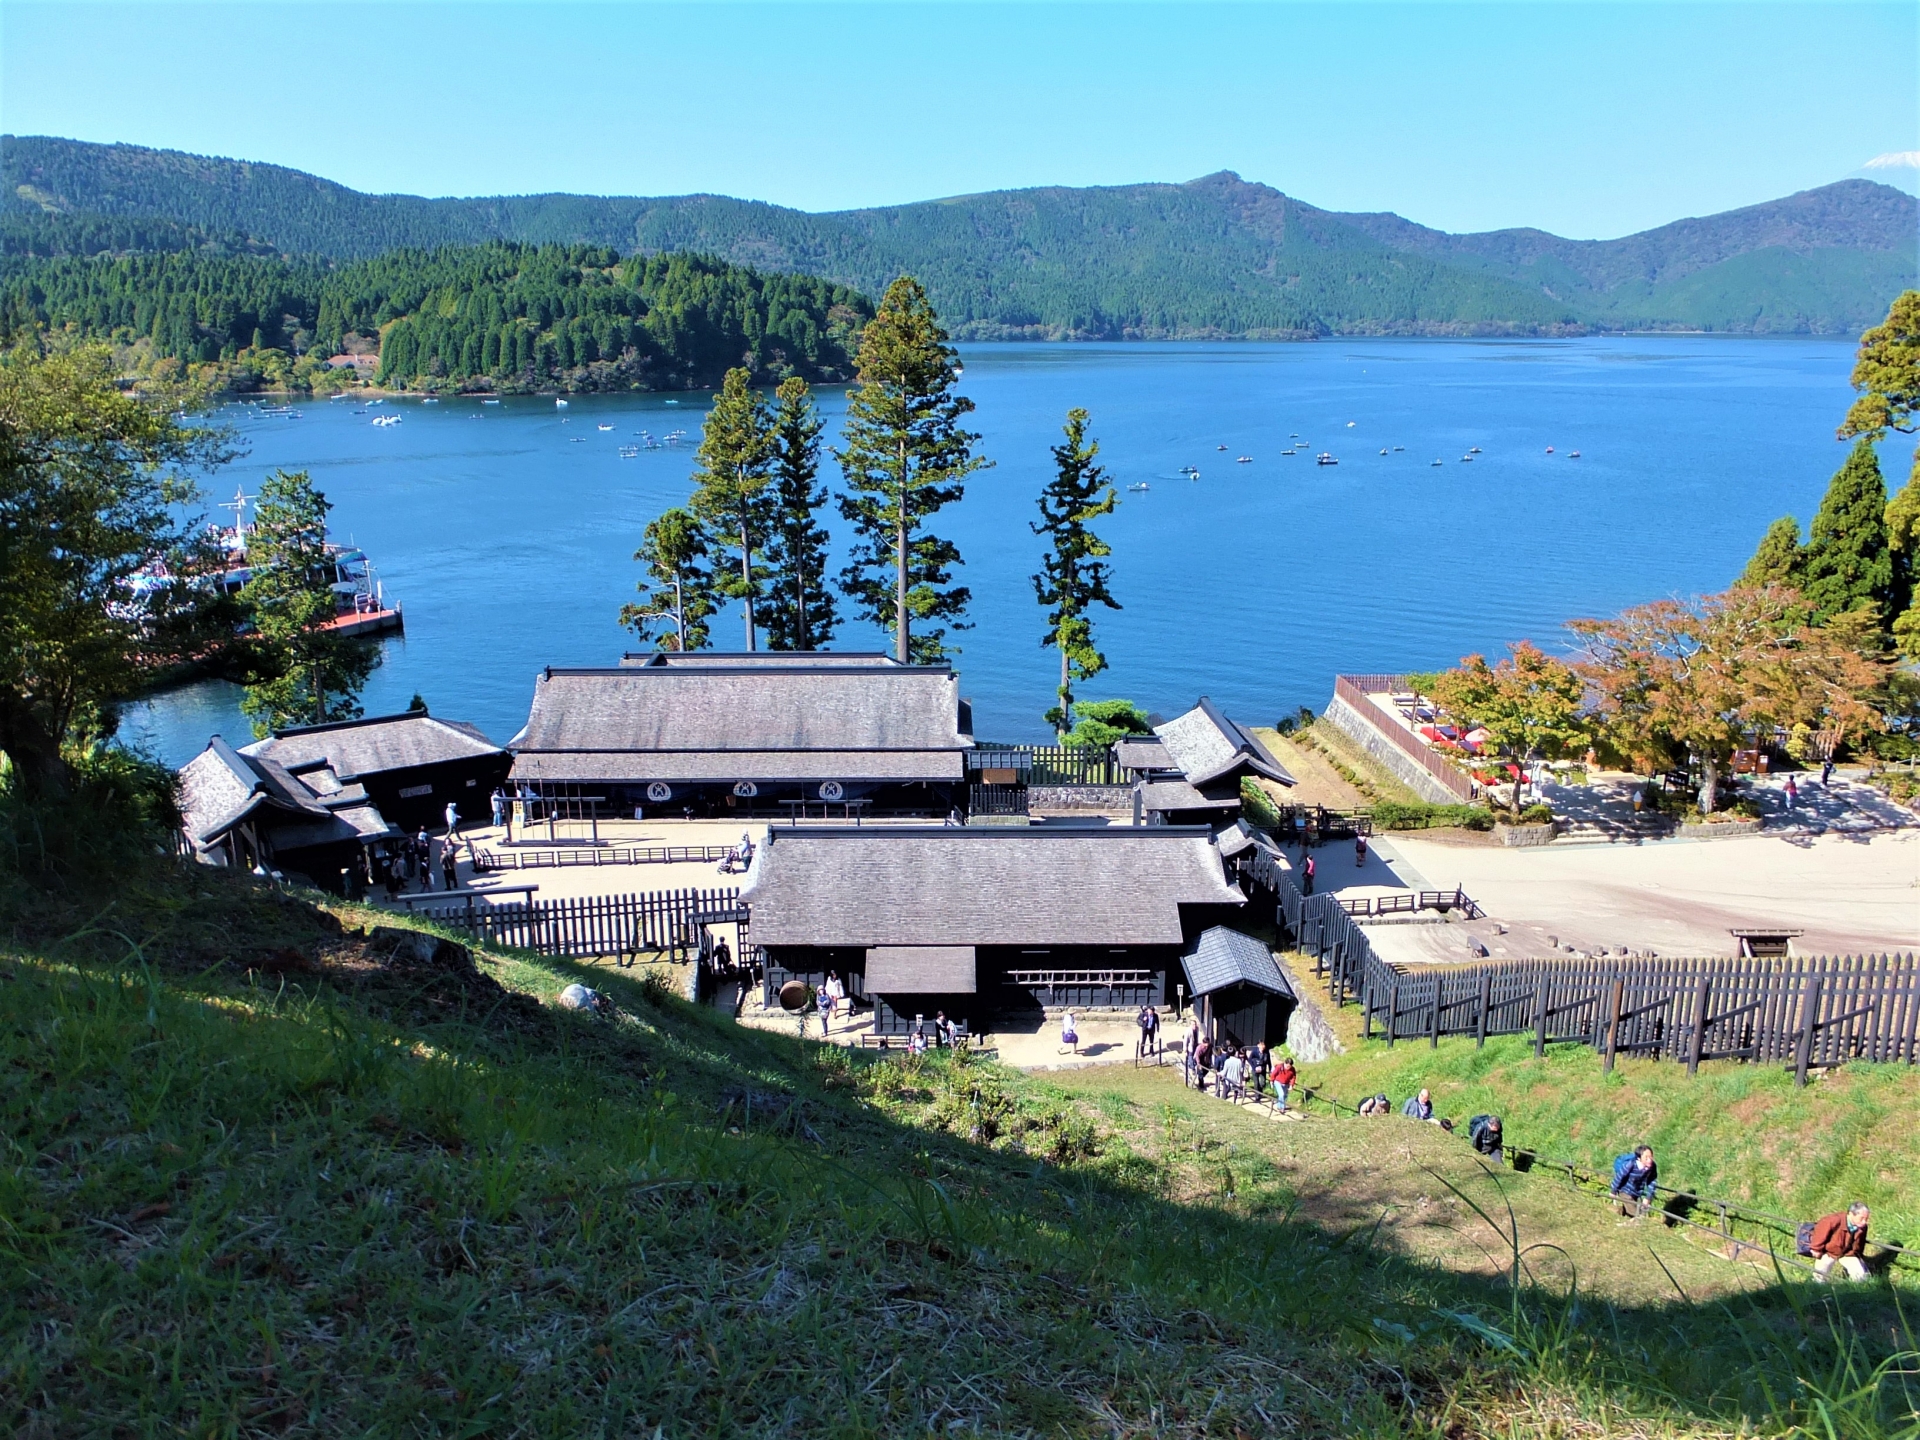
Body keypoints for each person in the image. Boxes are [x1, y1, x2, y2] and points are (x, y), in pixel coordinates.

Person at [1807, 1203, 1871, 1283]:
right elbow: (1820, 1232)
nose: (1864, 1222)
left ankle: (1855, 1292)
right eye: (1861, 1218)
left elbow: (1860, 1243)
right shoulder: (1833, 1220)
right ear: (1851, 1214)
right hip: (1828, 1251)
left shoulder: (1862, 1227)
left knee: (1860, 1275)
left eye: (1866, 1219)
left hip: (1847, 1253)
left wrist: (1858, 1254)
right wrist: (1816, 1249)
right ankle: (1821, 1292)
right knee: (1819, 1276)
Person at [1610, 1145, 1659, 1216]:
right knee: (1636, 1213)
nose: (1650, 1160)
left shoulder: (1652, 1167)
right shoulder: (1631, 1164)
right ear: (1639, 1158)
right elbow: (1620, 1176)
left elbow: (1652, 1181)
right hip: (1625, 1190)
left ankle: (1617, 1214)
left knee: (1632, 1209)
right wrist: (1613, 1191)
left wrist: (1648, 1197)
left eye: (1651, 1157)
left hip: (1637, 1192)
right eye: (1646, 1158)